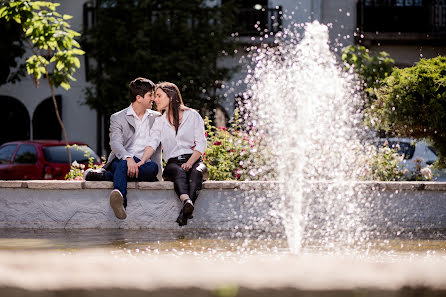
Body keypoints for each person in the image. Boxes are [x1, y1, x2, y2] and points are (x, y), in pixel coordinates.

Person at [84, 77, 162, 220]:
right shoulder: (118, 118)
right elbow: (115, 144)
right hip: (121, 160)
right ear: (139, 98)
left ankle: (104, 176)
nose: (154, 99)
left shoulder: (157, 118)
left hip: (144, 165)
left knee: (153, 169)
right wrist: (128, 158)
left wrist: (139, 162)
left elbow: (159, 142)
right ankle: (121, 204)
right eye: (150, 95)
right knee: (123, 165)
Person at [138, 82, 207, 226]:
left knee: (197, 172)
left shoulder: (192, 115)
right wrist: (142, 161)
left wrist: (190, 162)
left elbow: (201, 143)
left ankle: (185, 212)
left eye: (159, 96)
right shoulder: (160, 122)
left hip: (194, 159)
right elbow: (152, 144)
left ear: (170, 97)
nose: (155, 100)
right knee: (178, 171)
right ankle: (186, 202)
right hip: (173, 163)